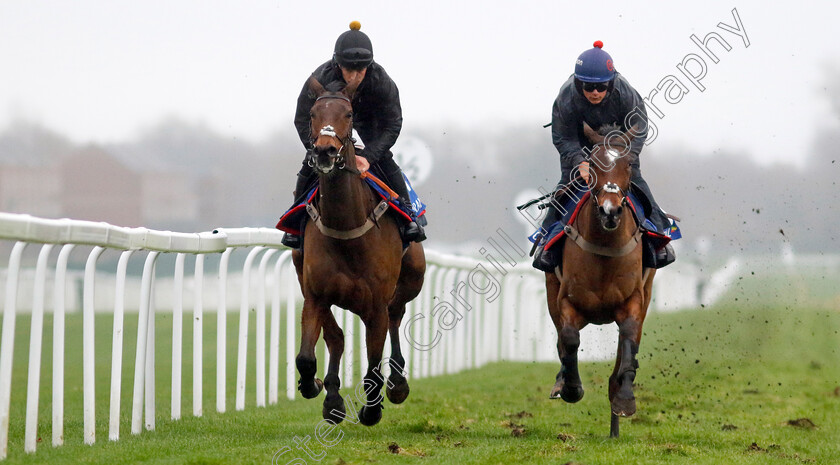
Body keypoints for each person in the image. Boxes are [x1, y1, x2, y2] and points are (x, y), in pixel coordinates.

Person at [281, 21, 425, 248]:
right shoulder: (320, 77)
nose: (355, 76)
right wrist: (316, 147)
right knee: (311, 164)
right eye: (350, 70)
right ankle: (295, 224)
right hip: (332, 121)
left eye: (361, 70)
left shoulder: (381, 81)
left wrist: (368, 156)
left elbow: (393, 123)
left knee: (385, 162)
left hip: (370, 122)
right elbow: (301, 118)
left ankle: (409, 218)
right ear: (338, 64)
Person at [536, 40, 675, 270]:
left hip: (618, 150)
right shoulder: (566, 98)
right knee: (565, 188)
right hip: (579, 149)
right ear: (578, 83)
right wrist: (579, 161)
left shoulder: (625, 92)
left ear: (610, 84)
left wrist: (622, 159)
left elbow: (639, 128)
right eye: (588, 87)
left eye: (601, 87)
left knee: (637, 183)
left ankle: (659, 237)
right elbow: (562, 137)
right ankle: (545, 241)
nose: (595, 93)